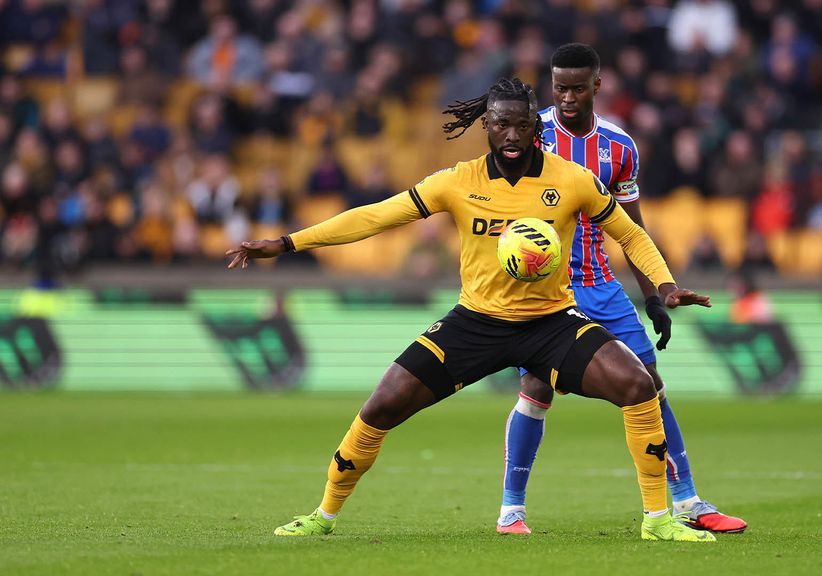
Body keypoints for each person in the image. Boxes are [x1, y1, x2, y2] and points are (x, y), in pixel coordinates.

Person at [226, 77, 717, 543]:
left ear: (536, 129)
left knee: (638, 384)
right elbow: (376, 216)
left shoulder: (572, 180)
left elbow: (629, 232)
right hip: (476, 323)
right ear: (486, 124)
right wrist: (288, 243)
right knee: (382, 404)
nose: (511, 134)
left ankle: (658, 519)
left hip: (551, 322)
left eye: (522, 125)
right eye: (500, 123)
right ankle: (323, 515)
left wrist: (665, 284)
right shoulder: (457, 181)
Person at [495, 44, 746, 536]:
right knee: (536, 387)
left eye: (577, 88)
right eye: (559, 87)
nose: (567, 97)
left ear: (597, 86)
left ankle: (688, 501)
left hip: (601, 286)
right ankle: (511, 509)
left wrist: (653, 294)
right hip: (546, 289)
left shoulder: (620, 147)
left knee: (650, 385)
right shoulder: (531, 134)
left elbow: (632, 228)